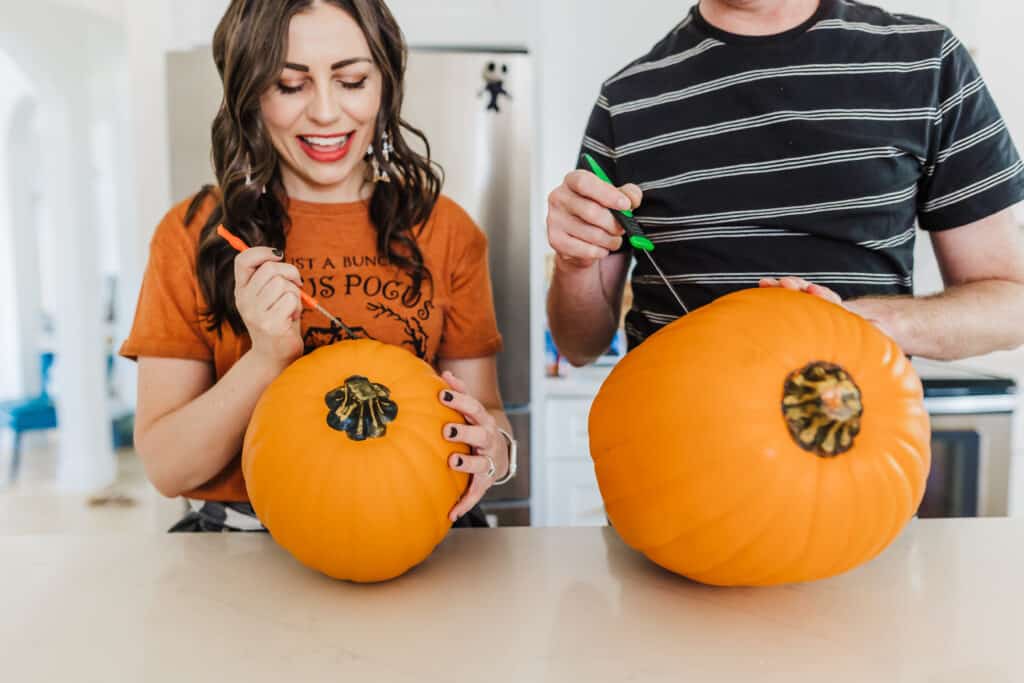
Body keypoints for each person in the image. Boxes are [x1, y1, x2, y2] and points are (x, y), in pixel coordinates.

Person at [120, 0, 515, 532]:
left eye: (352, 81)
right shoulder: (193, 235)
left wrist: (495, 451)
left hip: (417, 537)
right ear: (250, 94)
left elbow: (488, 416)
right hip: (244, 554)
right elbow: (168, 469)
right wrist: (266, 358)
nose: (327, 112)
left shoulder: (445, 230)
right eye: (290, 85)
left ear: (385, 85)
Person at [547, 0, 1024, 365]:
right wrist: (573, 264)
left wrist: (865, 323)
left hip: (856, 461)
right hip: (666, 461)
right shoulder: (627, 98)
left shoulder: (927, 60)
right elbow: (579, 345)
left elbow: (1010, 301)